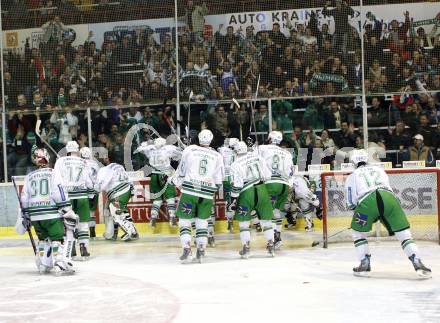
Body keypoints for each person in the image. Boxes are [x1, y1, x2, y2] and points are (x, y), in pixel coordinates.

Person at [345, 149, 431, 278]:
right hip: (390, 199)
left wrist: (363, 216)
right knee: (404, 235)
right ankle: (417, 261)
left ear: (353, 162)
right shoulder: (379, 169)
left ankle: (364, 264)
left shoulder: (353, 175)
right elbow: (386, 188)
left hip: (368, 202)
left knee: (357, 233)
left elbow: (351, 202)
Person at [15, 147, 77, 275]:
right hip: (51, 213)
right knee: (57, 238)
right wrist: (66, 208)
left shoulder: (29, 176)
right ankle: (59, 263)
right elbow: (58, 191)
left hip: (35, 216)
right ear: (47, 157)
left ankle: (43, 264)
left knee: (43, 239)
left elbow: (24, 197)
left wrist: (26, 215)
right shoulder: (53, 172)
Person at [171, 129, 225, 263]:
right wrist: (210, 190)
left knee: (184, 221)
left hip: (190, 191)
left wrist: (176, 182)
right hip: (207, 193)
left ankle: (187, 248)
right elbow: (219, 180)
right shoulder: (217, 155)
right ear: (211, 140)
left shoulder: (190, 150)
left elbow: (182, 171)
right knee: (202, 222)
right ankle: (201, 249)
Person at [229, 141, 275, 258]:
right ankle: (271, 245)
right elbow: (268, 175)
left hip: (246, 192)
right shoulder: (258, 158)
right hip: (261, 189)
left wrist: (233, 199)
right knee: (266, 221)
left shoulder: (235, 164)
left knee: (244, 223)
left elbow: (237, 184)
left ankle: (246, 248)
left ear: (236, 151)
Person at [54, 141, 93, 259]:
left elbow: (56, 179)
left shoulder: (60, 161)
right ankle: (83, 246)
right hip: (81, 196)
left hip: (67, 197)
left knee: (68, 224)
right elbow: (88, 181)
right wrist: (91, 195)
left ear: (67, 150)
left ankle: (71, 250)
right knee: (83, 223)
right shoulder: (83, 162)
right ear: (77, 150)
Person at [258, 131, 294, 249]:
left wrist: (252, 146)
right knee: (277, 211)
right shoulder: (287, 153)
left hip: (271, 184)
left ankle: (272, 238)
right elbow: (291, 172)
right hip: (284, 185)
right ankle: (277, 236)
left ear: (269, 138)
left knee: (267, 212)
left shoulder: (263, 148)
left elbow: (253, 159)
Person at [135, 137, 182, 227]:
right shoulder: (168, 148)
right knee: (170, 197)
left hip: (153, 175)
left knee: (157, 199)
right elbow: (180, 153)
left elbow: (139, 149)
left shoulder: (150, 149)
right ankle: (172, 218)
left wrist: (147, 143)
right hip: (165, 175)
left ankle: (153, 217)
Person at [96, 160, 139, 241]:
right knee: (123, 212)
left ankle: (131, 232)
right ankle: (129, 231)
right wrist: (132, 189)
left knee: (116, 212)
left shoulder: (104, 170)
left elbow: (102, 184)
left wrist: (96, 188)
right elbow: (128, 178)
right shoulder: (118, 166)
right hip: (127, 188)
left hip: (117, 192)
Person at [217, 137, 239, 233]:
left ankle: (229, 221)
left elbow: (218, 150)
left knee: (228, 201)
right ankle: (233, 220)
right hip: (235, 179)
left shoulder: (222, 150)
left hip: (224, 179)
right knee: (234, 201)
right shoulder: (238, 153)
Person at [80, 147, 100, 239]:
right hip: (94, 189)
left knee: (81, 212)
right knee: (92, 213)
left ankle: (81, 233)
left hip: (84, 190)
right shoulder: (95, 163)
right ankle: (92, 233)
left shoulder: (80, 163)